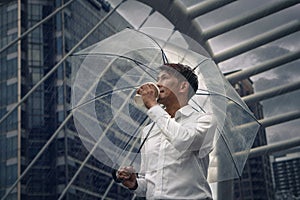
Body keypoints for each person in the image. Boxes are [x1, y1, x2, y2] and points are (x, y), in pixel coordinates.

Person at [113, 63, 215, 199]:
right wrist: (135, 183)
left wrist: (153, 105)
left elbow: (183, 140)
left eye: (164, 78)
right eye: (158, 78)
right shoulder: (149, 130)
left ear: (183, 86)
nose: (158, 83)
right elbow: (149, 183)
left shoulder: (204, 120)